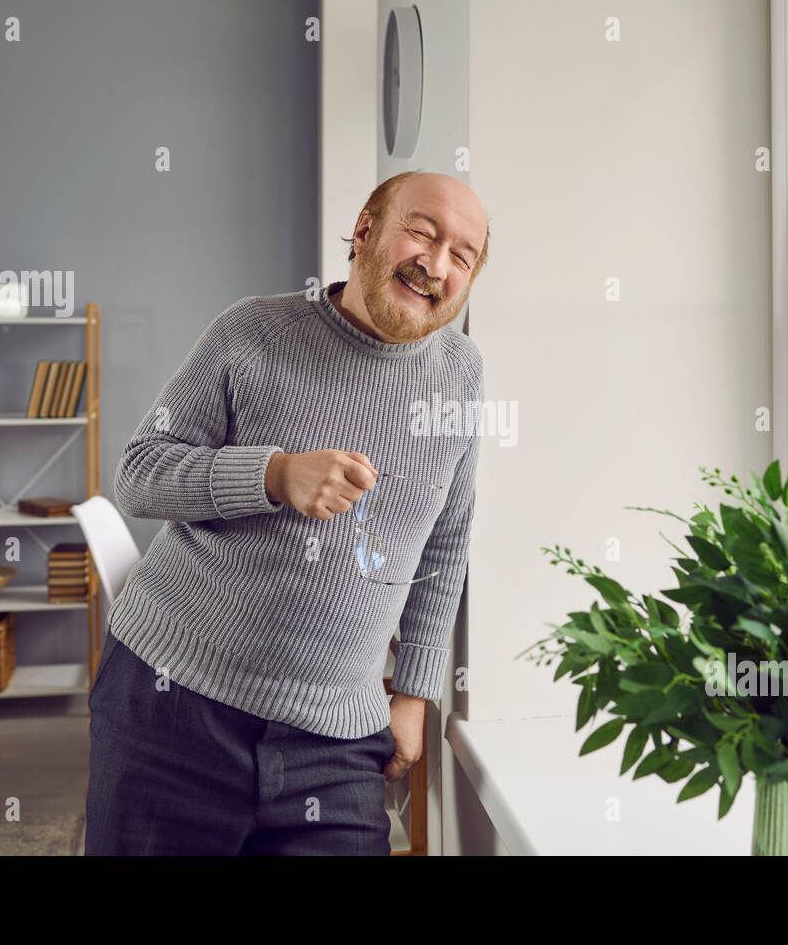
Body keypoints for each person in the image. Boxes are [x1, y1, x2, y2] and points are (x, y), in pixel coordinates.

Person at [85, 171, 490, 855]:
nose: (436, 263)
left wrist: (415, 694)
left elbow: (445, 546)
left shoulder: (462, 377)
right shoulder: (253, 331)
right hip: (171, 708)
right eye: (420, 231)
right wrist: (272, 475)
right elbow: (139, 475)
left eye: (463, 255)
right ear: (365, 230)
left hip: (334, 744)